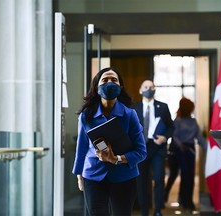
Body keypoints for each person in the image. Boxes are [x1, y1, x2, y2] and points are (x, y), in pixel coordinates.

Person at [72, 67, 147, 216]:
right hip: (93, 175)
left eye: (114, 80)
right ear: (96, 87)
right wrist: (79, 175)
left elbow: (141, 152)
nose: (110, 83)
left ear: (120, 87)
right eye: (105, 80)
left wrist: (116, 159)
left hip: (124, 176)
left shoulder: (130, 115)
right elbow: (81, 148)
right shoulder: (86, 116)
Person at [134, 80, 175, 216]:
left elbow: (171, 127)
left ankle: (158, 210)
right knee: (142, 181)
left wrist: (165, 137)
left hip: (157, 147)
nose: (148, 89)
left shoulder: (162, 107)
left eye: (151, 87)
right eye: (145, 87)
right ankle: (144, 211)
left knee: (158, 178)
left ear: (155, 89)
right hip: (141, 149)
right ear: (141, 90)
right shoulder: (134, 108)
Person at [172, 97, 207, 211]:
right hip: (181, 149)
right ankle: (183, 199)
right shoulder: (177, 121)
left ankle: (188, 200)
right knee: (185, 173)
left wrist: (209, 149)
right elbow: (174, 135)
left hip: (191, 150)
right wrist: (179, 144)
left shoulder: (193, 122)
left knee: (190, 175)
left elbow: (199, 138)